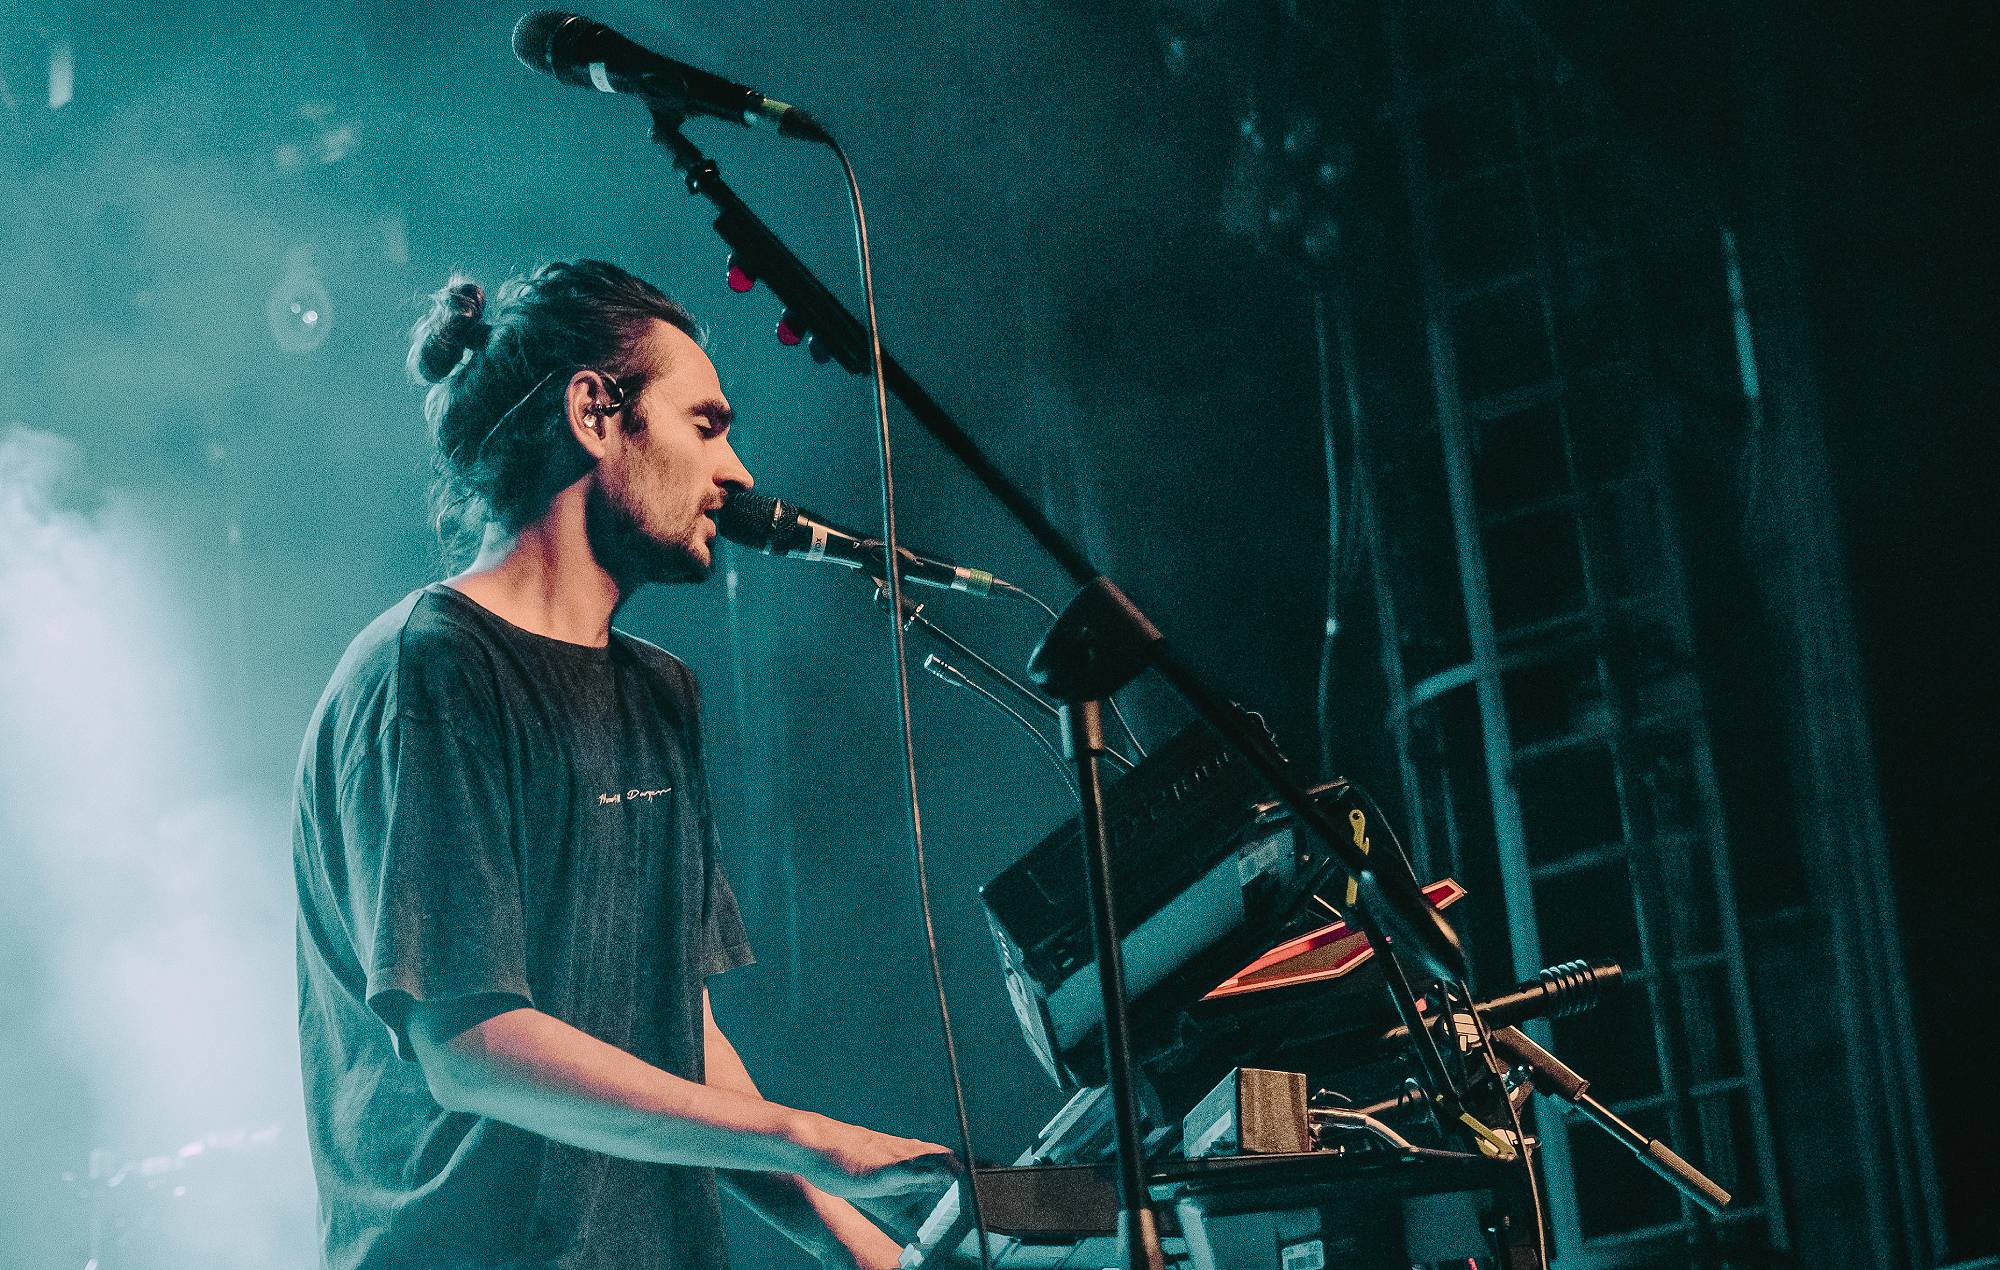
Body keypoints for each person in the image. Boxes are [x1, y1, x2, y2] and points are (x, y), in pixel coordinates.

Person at [292, 260, 954, 1270]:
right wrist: (811, 1138)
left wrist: (874, 1255)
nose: (734, 471)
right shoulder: (427, 670)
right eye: (706, 423)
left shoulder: (658, 692)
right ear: (595, 411)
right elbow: (469, 1050)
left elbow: (676, 1032)